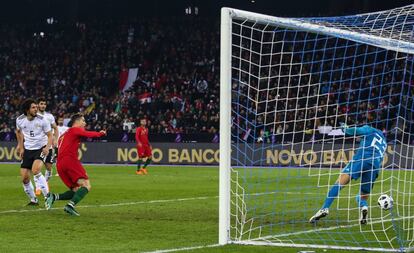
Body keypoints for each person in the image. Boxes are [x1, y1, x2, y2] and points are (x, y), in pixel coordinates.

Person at [309, 123, 387, 225]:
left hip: (362, 159)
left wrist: (345, 129)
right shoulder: (384, 142)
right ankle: (364, 207)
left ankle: (324, 208)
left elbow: (357, 131)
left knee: (339, 183)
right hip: (375, 166)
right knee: (362, 196)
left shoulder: (369, 129)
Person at [45, 113, 106, 216]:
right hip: (70, 161)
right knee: (86, 185)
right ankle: (70, 205)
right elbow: (88, 134)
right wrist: (100, 134)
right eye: (83, 121)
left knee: (76, 189)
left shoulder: (63, 135)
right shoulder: (74, 129)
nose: (85, 123)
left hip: (60, 164)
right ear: (77, 122)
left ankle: (53, 197)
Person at [15, 98, 53, 206]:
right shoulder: (20, 120)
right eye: (33, 107)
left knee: (36, 170)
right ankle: (33, 199)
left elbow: (50, 135)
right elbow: (18, 132)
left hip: (40, 148)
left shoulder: (42, 120)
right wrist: (21, 146)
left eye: (36, 107)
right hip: (28, 149)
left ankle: (48, 197)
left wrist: (47, 147)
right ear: (27, 110)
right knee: (25, 178)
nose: (36, 109)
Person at [35, 97, 59, 195]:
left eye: (44, 104)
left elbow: (56, 128)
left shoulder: (49, 116)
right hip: (37, 145)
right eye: (41, 104)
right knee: (36, 168)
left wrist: (56, 139)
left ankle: (45, 182)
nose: (43, 106)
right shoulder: (34, 116)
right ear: (37, 105)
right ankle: (38, 188)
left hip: (48, 145)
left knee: (49, 167)